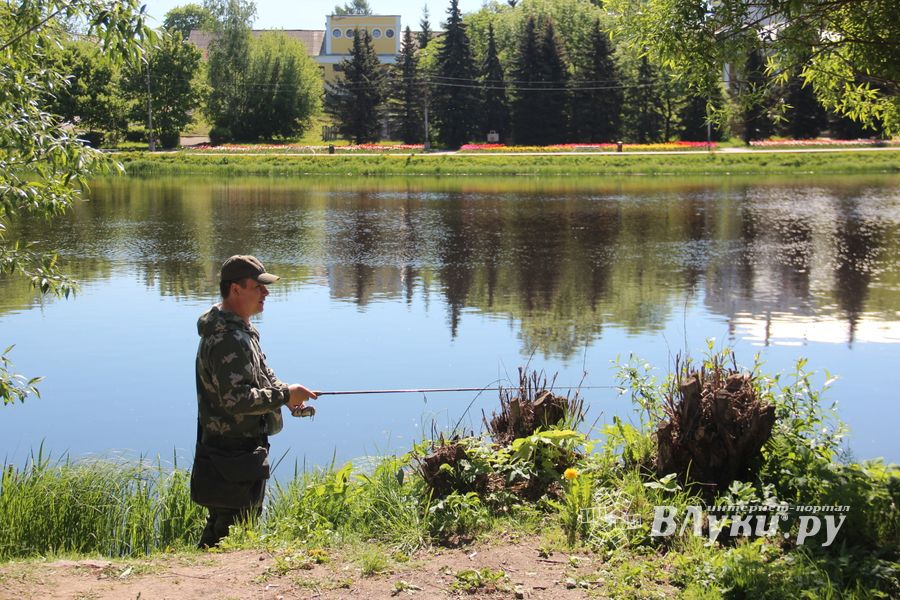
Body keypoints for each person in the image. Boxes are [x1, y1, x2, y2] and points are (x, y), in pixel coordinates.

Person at [191, 255, 317, 548]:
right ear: (235, 290)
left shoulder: (240, 329)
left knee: (233, 529)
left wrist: (284, 394)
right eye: (258, 287)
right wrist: (285, 395)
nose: (266, 293)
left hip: (239, 452)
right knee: (229, 533)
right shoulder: (226, 338)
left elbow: (261, 373)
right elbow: (237, 400)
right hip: (230, 453)